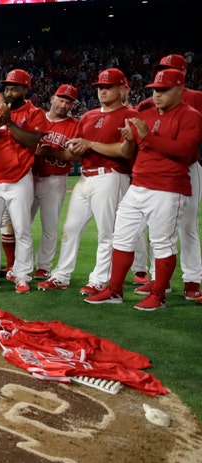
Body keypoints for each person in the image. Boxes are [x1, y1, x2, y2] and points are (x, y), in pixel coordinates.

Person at [86, 68, 202, 310]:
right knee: (121, 238)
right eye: (155, 90)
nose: (157, 95)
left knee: (162, 242)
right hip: (138, 185)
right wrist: (130, 138)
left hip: (168, 187)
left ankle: (158, 294)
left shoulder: (190, 115)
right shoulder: (146, 113)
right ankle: (114, 290)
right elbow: (133, 149)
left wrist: (146, 136)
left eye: (164, 90)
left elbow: (184, 151)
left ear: (180, 89)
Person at [37, 68, 136, 296]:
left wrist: (89, 144)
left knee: (106, 233)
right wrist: (66, 149)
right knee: (70, 228)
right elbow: (75, 152)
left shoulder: (129, 114)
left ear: (122, 89)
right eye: (100, 86)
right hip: (85, 176)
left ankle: (100, 280)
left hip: (111, 175)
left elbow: (125, 151)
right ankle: (61, 276)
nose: (102, 90)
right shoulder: (89, 116)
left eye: (108, 86)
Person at [135, 53, 202, 300]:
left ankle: (193, 280)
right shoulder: (150, 101)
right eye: (160, 69)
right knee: (157, 226)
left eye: (169, 69)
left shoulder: (195, 98)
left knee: (188, 225)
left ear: (183, 74)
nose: (162, 72)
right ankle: (157, 280)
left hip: (187, 167)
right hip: (158, 170)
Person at [0, 69, 48, 294]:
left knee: (22, 229)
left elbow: (33, 141)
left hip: (19, 179)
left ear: (25, 89)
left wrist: (11, 125)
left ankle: (22, 275)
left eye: (15, 88)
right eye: (7, 88)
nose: (10, 91)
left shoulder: (35, 113)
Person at [31, 84, 80, 279]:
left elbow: (73, 156)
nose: (64, 104)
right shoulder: (37, 117)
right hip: (28, 177)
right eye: (61, 99)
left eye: (68, 102)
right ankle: (19, 265)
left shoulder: (74, 125)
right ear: (52, 98)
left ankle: (44, 266)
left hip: (55, 179)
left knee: (49, 226)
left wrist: (50, 152)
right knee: (21, 224)